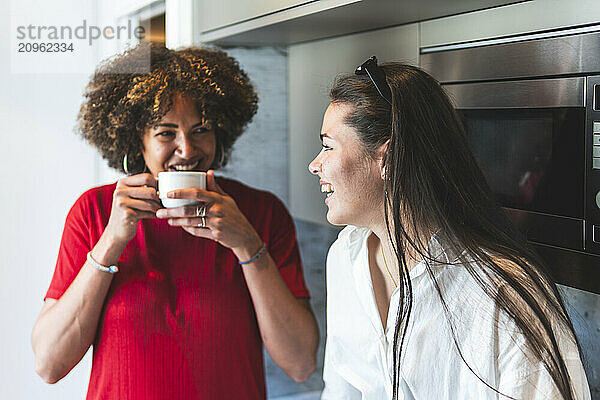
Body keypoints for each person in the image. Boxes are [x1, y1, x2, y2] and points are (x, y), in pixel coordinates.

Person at [32, 43, 319, 399]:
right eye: (166, 133)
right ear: (137, 141)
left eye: (201, 129)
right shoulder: (94, 211)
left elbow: (301, 363)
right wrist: (111, 242)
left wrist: (247, 244)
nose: (187, 148)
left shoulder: (260, 213)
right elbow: (48, 364)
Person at [309, 57, 590, 399]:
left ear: (390, 157)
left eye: (328, 146)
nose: (315, 164)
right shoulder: (345, 256)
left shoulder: (502, 295)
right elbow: (341, 391)